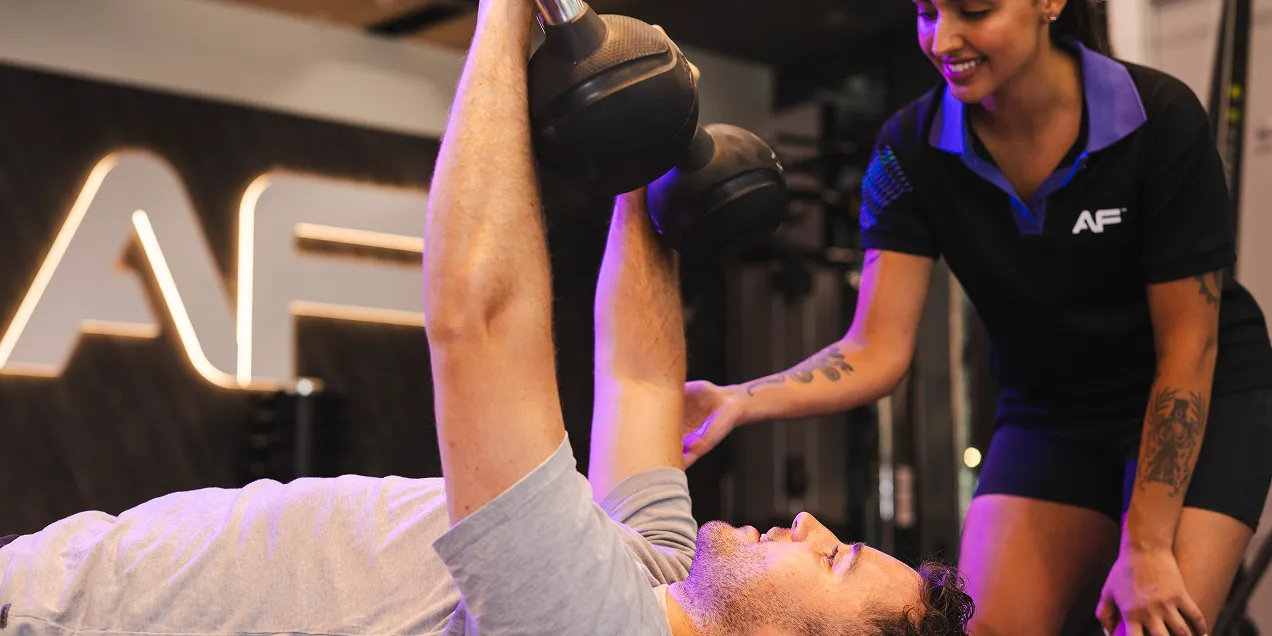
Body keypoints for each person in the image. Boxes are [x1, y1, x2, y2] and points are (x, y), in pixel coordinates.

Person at [0, 1, 976, 634]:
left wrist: (506, 18)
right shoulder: (652, 572)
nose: (810, 524)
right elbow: (636, 377)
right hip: (55, 574)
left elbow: (477, 318)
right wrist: (646, 179)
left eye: (837, 559)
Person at [679, 0, 1272, 635]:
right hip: (1051, 413)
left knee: (1153, 625)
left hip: (1197, 394)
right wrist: (740, 400)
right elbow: (874, 347)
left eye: (975, 10)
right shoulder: (906, 151)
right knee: (982, 629)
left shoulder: (1160, 119)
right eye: (928, 12)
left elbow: (1188, 346)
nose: (945, 38)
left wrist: (1147, 547)